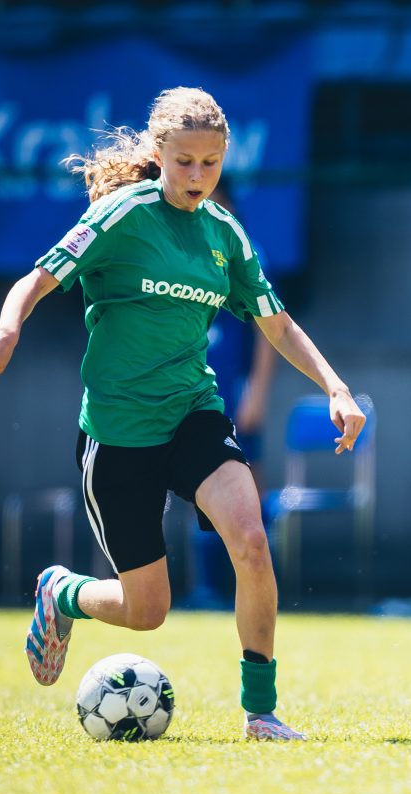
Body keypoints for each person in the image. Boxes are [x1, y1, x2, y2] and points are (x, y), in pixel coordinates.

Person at [0, 87, 365, 741]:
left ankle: (260, 713)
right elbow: (37, 279)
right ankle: (62, 592)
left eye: (211, 163)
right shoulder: (120, 215)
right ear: (159, 153)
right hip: (119, 434)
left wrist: (336, 387)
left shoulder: (225, 233)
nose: (198, 176)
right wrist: (7, 332)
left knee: (252, 541)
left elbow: (277, 324)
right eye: (185, 162)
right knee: (148, 611)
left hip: (193, 412)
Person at [183, 179, 278, 611]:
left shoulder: (247, 253)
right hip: (190, 391)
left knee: (249, 483)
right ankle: (206, 586)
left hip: (233, 393)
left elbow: (270, 331)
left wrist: (257, 392)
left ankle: (259, 584)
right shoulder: (179, 251)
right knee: (195, 484)